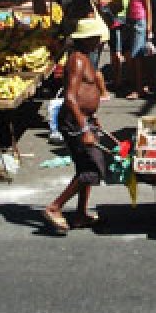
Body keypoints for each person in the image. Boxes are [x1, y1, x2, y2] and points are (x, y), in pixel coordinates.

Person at [43, 17, 109, 233]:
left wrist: (91, 117)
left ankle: (81, 214)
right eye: (96, 37)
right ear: (87, 38)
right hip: (75, 121)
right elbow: (70, 97)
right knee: (93, 168)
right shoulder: (78, 60)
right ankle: (55, 207)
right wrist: (84, 128)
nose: (100, 41)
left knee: (85, 167)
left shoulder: (85, 58)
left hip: (83, 118)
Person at [122, 0, 154, 98]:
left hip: (140, 21)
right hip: (130, 20)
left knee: (137, 55)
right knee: (135, 55)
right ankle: (142, 84)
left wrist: (149, 26)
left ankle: (138, 88)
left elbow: (148, 5)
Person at [96, 0, 128, 87]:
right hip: (116, 19)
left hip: (127, 18)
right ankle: (117, 80)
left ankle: (119, 77)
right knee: (117, 51)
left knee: (123, 50)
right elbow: (103, 0)